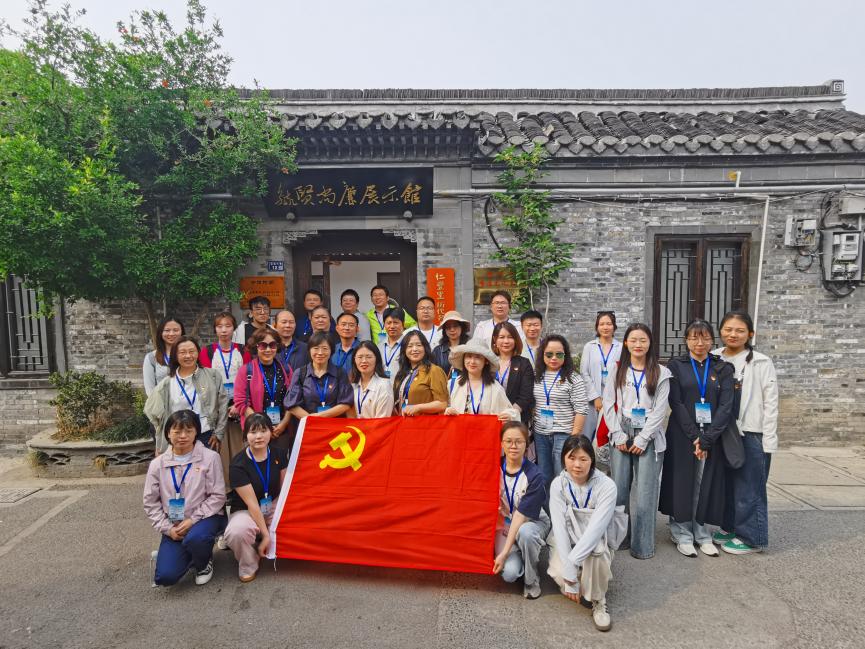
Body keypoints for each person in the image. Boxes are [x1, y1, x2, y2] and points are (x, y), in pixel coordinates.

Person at [659, 319, 735, 558]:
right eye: (694, 337)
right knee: (682, 482)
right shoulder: (676, 366)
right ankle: (681, 533)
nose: (699, 343)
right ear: (686, 340)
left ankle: (702, 534)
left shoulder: (722, 368)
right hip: (683, 435)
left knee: (705, 484)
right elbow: (676, 403)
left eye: (705, 338)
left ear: (712, 340)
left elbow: (726, 406)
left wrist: (707, 439)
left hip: (712, 436)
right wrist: (695, 436)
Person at [713, 310, 779, 555]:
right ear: (721, 331)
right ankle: (730, 527)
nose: (733, 334)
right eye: (728, 329)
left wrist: (769, 439)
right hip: (723, 430)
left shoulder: (761, 362)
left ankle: (752, 538)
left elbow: (771, 403)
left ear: (750, 334)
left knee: (750, 486)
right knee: (728, 484)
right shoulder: (714, 357)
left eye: (740, 330)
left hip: (751, 431)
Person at [604, 323, 671, 560]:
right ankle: (620, 539)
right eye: (633, 340)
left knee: (646, 492)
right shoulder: (618, 369)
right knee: (619, 489)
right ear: (626, 343)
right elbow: (608, 403)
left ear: (650, 343)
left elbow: (660, 410)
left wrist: (643, 438)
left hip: (649, 432)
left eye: (643, 340)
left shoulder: (661, 373)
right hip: (622, 428)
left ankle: (643, 546)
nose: (638, 344)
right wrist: (617, 433)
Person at [143, 410, 226, 586]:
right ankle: (187, 552)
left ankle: (204, 563)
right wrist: (168, 529)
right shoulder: (157, 465)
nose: (183, 436)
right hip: (174, 524)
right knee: (165, 577)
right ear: (168, 433)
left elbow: (218, 496)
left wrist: (192, 520)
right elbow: (150, 503)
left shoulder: (210, 458)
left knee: (196, 538)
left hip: (205, 518)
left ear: (196, 432)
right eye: (177, 431)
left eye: (189, 431)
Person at [547, 435, 618, 632]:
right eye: (571, 458)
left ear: (592, 460)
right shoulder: (558, 484)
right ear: (563, 459)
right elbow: (559, 527)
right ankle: (581, 579)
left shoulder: (606, 486)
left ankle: (599, 601)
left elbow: (596, 530)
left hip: (595, 539)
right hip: (567, 538)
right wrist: (569, 573)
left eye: (583, 459)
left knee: (596, 554)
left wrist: (572, 565)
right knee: (561, 575)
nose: (577, 465)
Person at [224, 413, 288, 582]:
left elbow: (284, 489)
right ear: (245, 435)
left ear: (271, 432)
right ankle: (249, 562)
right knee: (237, 532)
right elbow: (252, 504)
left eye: (263, 431)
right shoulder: (238, 464)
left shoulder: (279, 454)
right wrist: (266, 535)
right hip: (246, 510)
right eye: (253, 432)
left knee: (297, 520)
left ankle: (266, 539)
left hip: (273, 504)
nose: (258, 436)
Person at [492, 421, 550, 600]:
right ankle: (524, 556)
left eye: (519, 441)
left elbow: (520, 516)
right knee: (509, 574)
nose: (513, 446)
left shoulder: (535, 475)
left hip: (532, 521)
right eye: (508, 441)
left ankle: (532, 580)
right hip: (504, 523)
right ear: (501, 443)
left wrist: (504, 554)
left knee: (525, 533)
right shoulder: (493, 467)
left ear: (527, 444)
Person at [144, 336, 228, 455]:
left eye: (192, 351)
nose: (188, 356)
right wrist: (162, 439)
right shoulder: (167, 383)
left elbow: (223, 405)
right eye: (182, 352)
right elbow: (153, 413)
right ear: (175, 355)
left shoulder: (213, 376)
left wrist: (218, 433)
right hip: (178, 439)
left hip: (206, 436)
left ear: (198, 353)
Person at [198, 312, 251, 490]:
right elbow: (206, 381)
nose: (224, 330)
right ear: (215, 329)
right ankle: (223, 488)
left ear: (234, 328)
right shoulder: (207, 351)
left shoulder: (243, 350)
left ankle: (241, 485)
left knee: (239, 446)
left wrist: (239, 404)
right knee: (219, 448)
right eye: (220, 326)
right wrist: (220, 406)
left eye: (228, 326)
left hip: (239, 405)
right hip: (216, 406)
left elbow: (248, 379)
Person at [532, 335, 589, 492]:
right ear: (542, 354)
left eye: (559, 354)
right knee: (544, 476)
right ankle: (547, 507)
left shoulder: (573, 378)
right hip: (540, 434)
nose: (554, 358)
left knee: (562, 475)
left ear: (566, 355)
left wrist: (574, 437)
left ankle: (564, 507)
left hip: (564, 434)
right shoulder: (536, 376)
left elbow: (581, 409)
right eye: (549, 354)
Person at [233, 328, 294, 450]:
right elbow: (241, 402)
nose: (268, 350)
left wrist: (283, 424)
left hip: (281, 429)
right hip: (256, 431)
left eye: (272, 345)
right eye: (263, 345)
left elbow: (293, 398)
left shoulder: (286, 369)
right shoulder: (246, 370)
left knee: (281, 461)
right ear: (256, 347)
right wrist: (263, 427)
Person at [444, 337, 518, 420]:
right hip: (458, 428)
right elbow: (444, 409)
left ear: (486, 361)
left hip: (485, 428)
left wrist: (508, 416)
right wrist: (448, 411)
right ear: (463, 359)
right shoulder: (453, 384)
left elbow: (510, 413)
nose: (472, 361)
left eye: (477, 357)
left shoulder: (495, 388)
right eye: (469, 356)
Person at [285, 331, 353, 420]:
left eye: (325, 348)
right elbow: (291, 404)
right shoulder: (300, 373)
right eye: (316, 348)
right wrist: (311, 420)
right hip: (308, 425)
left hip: (334, 425)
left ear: (331, 351)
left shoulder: (340, 372)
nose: (320, 352)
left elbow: (346, 403)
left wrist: (319, 417)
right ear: (309, 350)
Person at [580, 311, 623, 443]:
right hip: (592, 399)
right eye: (602, 324)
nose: (605, 327)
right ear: (597, 327)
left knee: (608, 435)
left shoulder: (621, 347)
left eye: (609, 324)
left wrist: (609, 398)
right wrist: (595, 397)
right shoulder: (589, 347)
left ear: (614, 326)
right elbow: (584, 373)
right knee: (587, 436)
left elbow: (622, 373)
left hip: (614, 399)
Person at [393, 330, 448, 416]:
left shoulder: (434, 370)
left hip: (425, 423)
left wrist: (418, 407)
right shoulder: (401, 374)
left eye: (419, 345)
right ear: (404, 350)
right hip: (402, 422)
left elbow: (442, 404)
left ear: (425, 348)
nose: (414, 349)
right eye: (410, 346)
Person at [492, 321, 535, 426]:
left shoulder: (524, 363)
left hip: (516, 420)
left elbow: (526, 395)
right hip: (492, 418)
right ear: (495, 340)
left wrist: (511, 414)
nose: (506, 341)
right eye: (501, 337)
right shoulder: (488, 363)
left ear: (515, 340)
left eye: (510, 337)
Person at [350, 341, 395, 418]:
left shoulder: (384, 385)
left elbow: (382, 420)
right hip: (355, 426)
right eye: (360, 357)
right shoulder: (352, 385)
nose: (364, 361)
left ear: (377, 359)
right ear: (354, 360)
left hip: (377, 425)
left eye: (369, 357)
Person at [143, 317, 185, 397]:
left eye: (176, 330)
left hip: (189, 402)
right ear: (161, 333)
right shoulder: (151, 358)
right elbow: (150, 390)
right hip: (162, 402)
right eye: (167, 330)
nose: (171, 334)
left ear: (182, 332)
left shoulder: (190, 356)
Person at [431, 310, 470, 392]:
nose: (452, 330)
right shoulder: (437, 351)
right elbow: (432, 374)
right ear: (444, 330)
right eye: (448, 327)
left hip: (466, 390)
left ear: (462, 327)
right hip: (443, 391)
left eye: (455, 326)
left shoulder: (469, 348)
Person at [378, 306, 407, 381]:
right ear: (384, 325)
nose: (392, 326)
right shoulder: (379, 346)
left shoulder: (408, 344)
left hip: (400, 386)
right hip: (381, 386)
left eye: (396, 322)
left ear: (403, 324)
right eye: (389, 323)